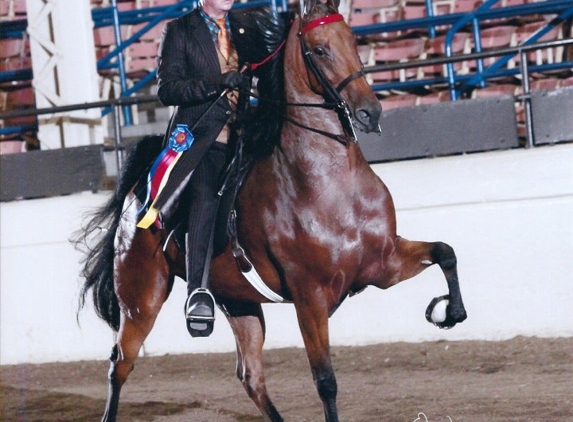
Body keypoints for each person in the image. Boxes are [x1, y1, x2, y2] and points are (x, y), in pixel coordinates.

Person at [153, 0, 252, 338]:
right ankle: (198, 291)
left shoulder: (245, 25)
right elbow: (168, 89)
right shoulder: (180, 30)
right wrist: (217, 82)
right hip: (205, 137)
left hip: (249, 130)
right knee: (205, 196)